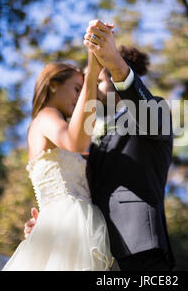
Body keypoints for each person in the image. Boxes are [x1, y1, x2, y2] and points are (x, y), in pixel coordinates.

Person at [24, 20, 175, 271]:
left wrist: (113, 61)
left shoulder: (155, 110)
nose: (87, 91)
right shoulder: (87, 136)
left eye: (93, 82)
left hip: (139, 250)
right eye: (81, 86)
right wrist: (47, 229)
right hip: (94, 254)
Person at [2, 38, 119, 270]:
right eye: (77, 88)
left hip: (83, 223)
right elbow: (74, 141)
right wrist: (93, 67)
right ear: (54, 84)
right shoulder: (46, 116)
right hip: (66, 224)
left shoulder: (64, 124)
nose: (80, 97)